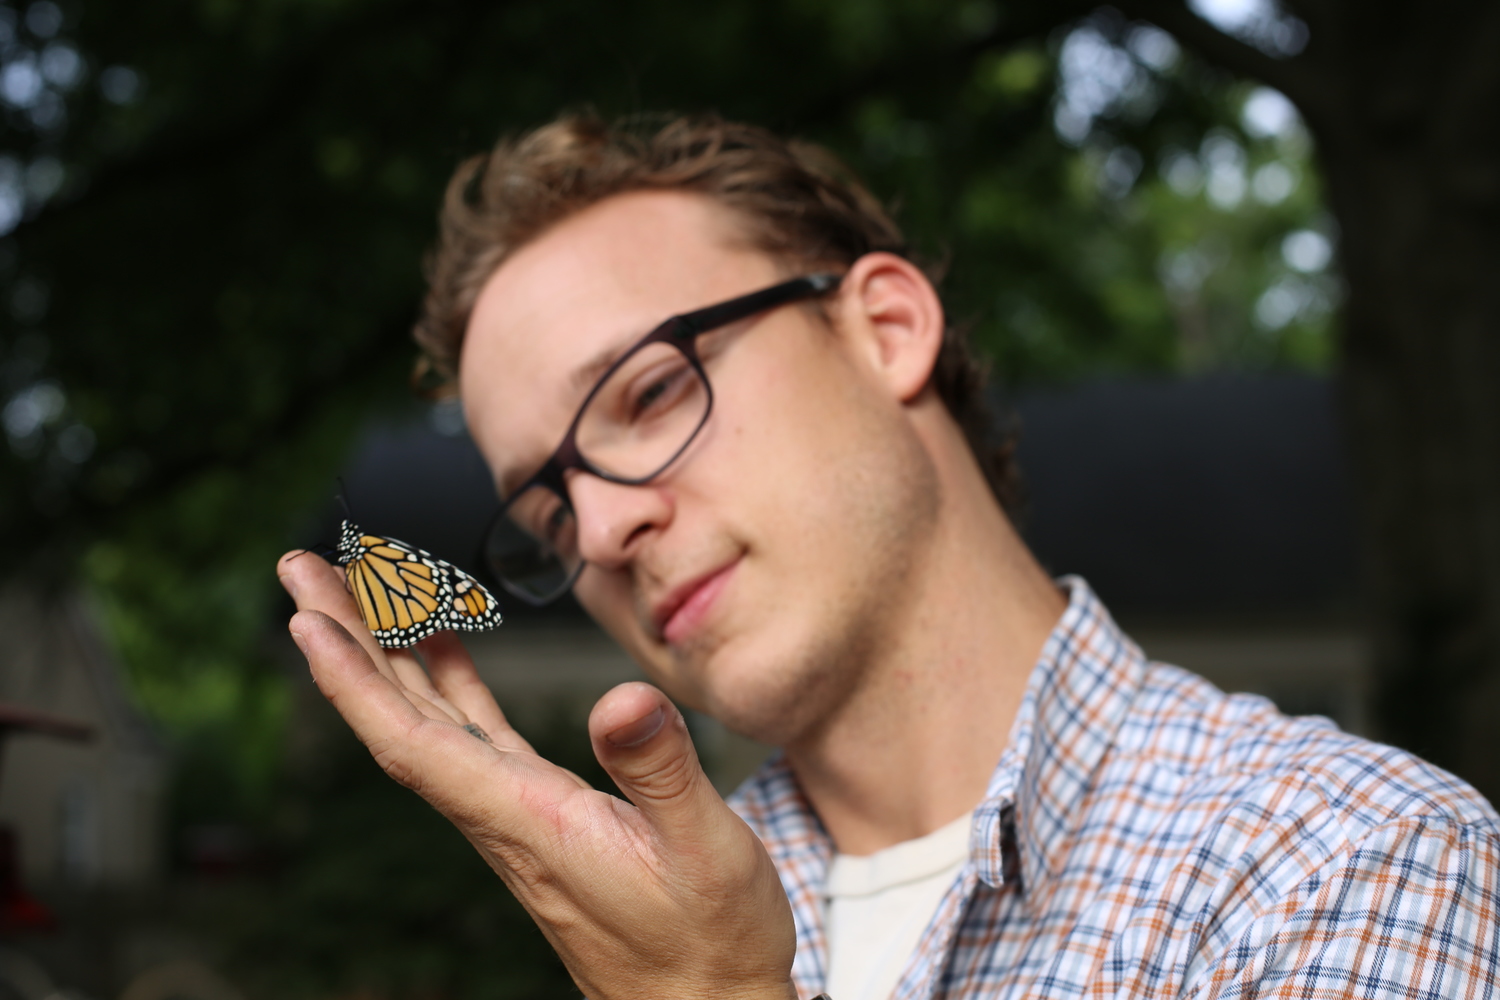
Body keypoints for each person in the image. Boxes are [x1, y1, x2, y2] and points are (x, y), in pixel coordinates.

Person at [276, 115, 1499, 1000]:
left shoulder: (1347, 867)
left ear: (886, 329)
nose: (600, 532)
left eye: (648, 394)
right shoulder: (647, 927)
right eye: (546, 514)